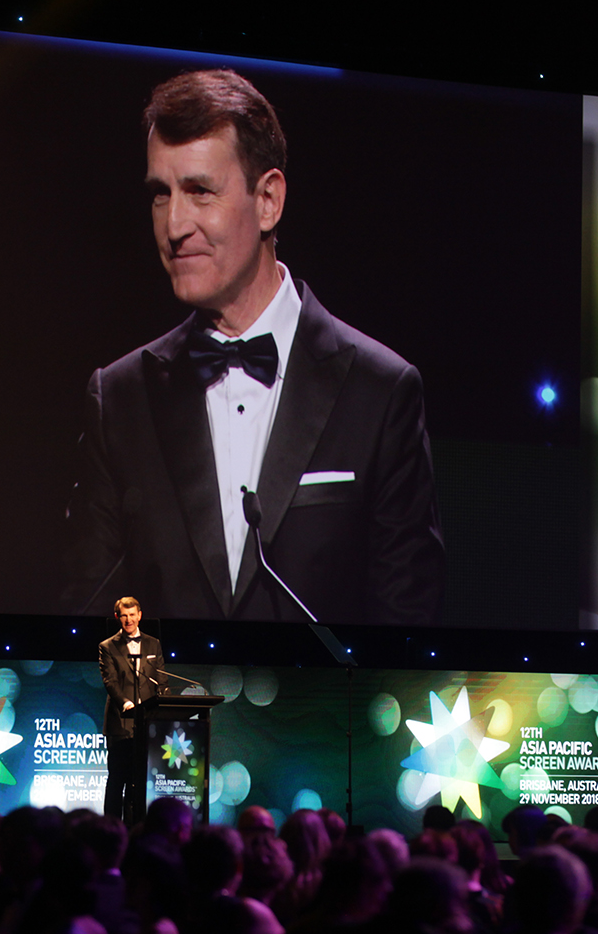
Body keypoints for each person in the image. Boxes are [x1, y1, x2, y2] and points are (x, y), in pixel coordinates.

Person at [63, 68, 444, 626]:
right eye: (160, 195)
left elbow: (409, 633)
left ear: (268, 200)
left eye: (199, 192)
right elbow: (85, 628)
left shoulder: (380, 392)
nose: (174, 226)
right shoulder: (119, 400)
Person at [99, 596, 164, 822]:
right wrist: (125, 702)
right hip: (120, 722)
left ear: (140, 615)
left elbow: (161, 679)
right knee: (117, 779)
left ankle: (136, 827)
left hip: (146, 724)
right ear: (118, 617)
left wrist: (164, 703)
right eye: (124, 616)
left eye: (132, 615)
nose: (129, 620)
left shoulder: (153, 644)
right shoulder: (107, 646)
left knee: (139, 779)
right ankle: (111, 828)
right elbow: (110, 681)